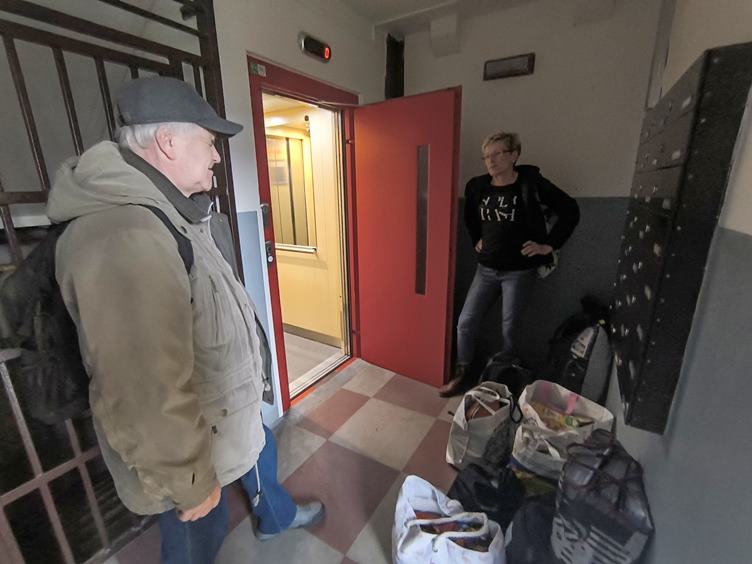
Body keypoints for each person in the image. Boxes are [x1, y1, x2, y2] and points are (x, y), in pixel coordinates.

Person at [47, 77, 323, 563]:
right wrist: (189, 481)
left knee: (259, 449)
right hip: (188, 449)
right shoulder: (124, 232)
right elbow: (143, 387)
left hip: (223, 413)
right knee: (195, 539)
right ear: (168, 142)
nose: (216, 157)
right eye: (209, 143)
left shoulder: (174, 214)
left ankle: (274, 516)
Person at [439, 132, 580, 397]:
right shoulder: (478, 186)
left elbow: (570, 210)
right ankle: (462, 374)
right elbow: (470, 217)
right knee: (465, 322)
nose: (490, 161)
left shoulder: (531, 184)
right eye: (486, 156)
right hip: (486, 269)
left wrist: (548, 245)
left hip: (518, 272)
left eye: (497, 154)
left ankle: (499, 377)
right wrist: (476, 239)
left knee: (509, 330)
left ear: (514, 155)